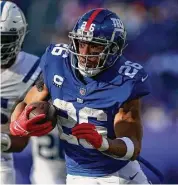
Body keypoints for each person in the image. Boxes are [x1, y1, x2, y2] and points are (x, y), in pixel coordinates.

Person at [10, 8, 151, 184]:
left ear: (114, 48)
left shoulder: (125, 80)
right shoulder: (57, 62)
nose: (84, 53)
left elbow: (133, 147)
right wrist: (19, 124)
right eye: (81, 43)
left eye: (95, 46)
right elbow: (25, 104)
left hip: (122, 174)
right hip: (80, 177)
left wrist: (103, 143)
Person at [0, 1, 65, 184]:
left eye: (3, 39)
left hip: (5, 154)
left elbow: (20, 141)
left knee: (50, 176)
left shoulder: (37, 72)